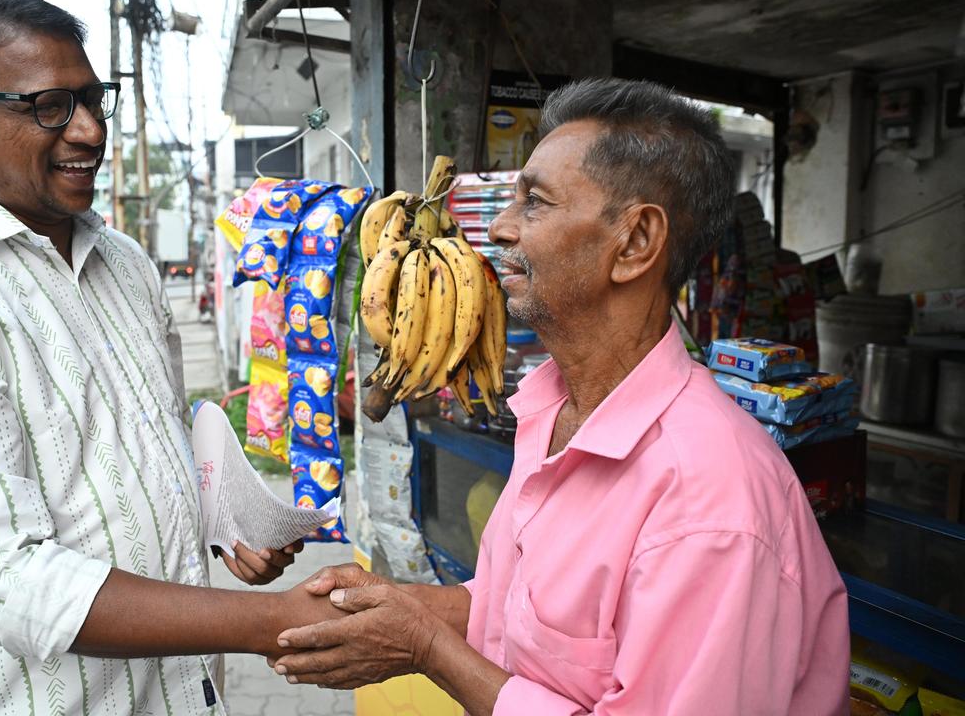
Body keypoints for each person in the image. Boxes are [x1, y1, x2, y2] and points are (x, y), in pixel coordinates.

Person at [0, 0, 340, 716]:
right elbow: (1, 578)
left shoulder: (127, 264)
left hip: (184, 695)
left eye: (94, 100)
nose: (89, 131)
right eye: (48, 107)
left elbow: (141, 454)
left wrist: (223, 525)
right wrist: (274, 621)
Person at [270, 79, 850, 715]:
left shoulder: (710, 505)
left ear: (633, 244)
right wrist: (393, 607)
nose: (499, 227)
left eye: (535, 202)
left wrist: (426, 648)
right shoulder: (550, 413)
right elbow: (510, 612)